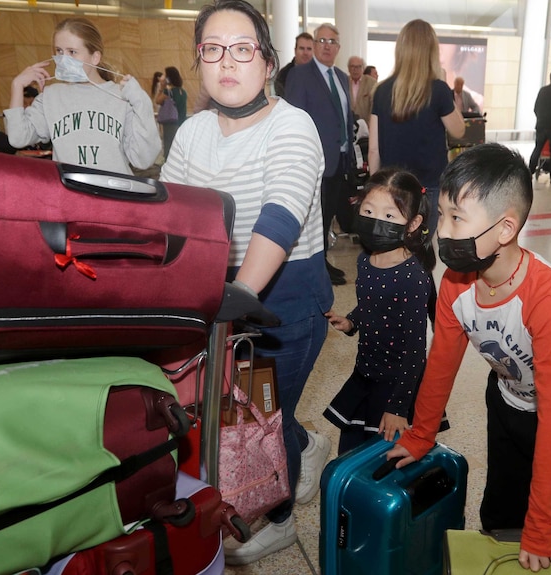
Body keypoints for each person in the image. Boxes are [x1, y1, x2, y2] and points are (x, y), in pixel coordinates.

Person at [158, 0, 333, 565]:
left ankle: (280, 518)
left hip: (282, 296)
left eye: (242, 48)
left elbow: (279, 217)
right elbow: (170, 215)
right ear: (199, 61)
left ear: (267, 61)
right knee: (241, 408)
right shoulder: (191, 132)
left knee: (259, 415)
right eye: (212, 49)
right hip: (215, 293)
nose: (226, 62)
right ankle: (306, 446)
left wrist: (239, 299)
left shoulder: (292, 124)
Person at [387, 143, 551, 573]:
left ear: (505, 229)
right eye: (442, 215)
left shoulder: (548, 298)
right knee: (500, 509)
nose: (442, 231)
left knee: (550, 513)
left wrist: (541, 525)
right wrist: (421, 433)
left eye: (457, 218)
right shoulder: (455, 283)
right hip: (508, 392)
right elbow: (441, 365)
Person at [324, 169, 446, 454]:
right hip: (365, 371)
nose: (376, 221)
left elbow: (416, 351)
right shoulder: (365, 260)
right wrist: (353, 320)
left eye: (389, 216)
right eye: (368, 210)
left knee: (381, 460)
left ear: (413, 223)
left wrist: (398, 407)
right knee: (352, 453)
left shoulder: (412, 277)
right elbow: (374, 303)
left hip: (396, 385)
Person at [5, 17, 161, 175]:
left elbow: (143, 159)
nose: (63, 59)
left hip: (113, 194)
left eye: (72, 52)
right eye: (59, 51)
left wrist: (142, 102)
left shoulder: (122, 96)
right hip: (70, 195)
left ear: (95, 57)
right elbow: (18, 138)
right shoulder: (50, 96)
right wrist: (17, 86)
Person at [368, 18, 465, 238]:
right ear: (431, 51)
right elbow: (459, 130)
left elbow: (374, 149)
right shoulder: (438, 90)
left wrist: (376, 186)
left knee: (393, 244)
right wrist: (445, 84)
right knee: (421, 249)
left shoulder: (382, 90)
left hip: (392, 185)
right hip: (427, 187)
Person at [286, 23, 356, 286]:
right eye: (322, 40)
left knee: (327, 218)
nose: (327, 45)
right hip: (315, 161)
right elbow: (295, 119)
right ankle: (316, 268)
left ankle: (323, 260)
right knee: (313, 219)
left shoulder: (341, 76)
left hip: (339, 161)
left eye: (333, 41)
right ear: (315, 45)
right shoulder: (300, 75)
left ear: (338, 47)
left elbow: (347, 117)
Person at [156, 66, 187, 160]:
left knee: (169, 146)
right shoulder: (183, 92)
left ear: (169, 78)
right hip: (181, 123)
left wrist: (162, 87)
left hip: (170, 123)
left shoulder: (168, 92)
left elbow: (157, 100)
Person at [273, 32, 313, 98]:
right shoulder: (283, 75)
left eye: (309, 49)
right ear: (295, 50)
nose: (305, 53)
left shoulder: (320, 72)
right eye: (302, 48)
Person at [348, 55, 377, 122]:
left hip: (366, 125)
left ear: (363, 68)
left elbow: (374, 107)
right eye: (352, 66)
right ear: (348, 68)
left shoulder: (372, 83)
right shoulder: (343, 81)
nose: (355, 69)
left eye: (358, 67)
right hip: (348, 125)